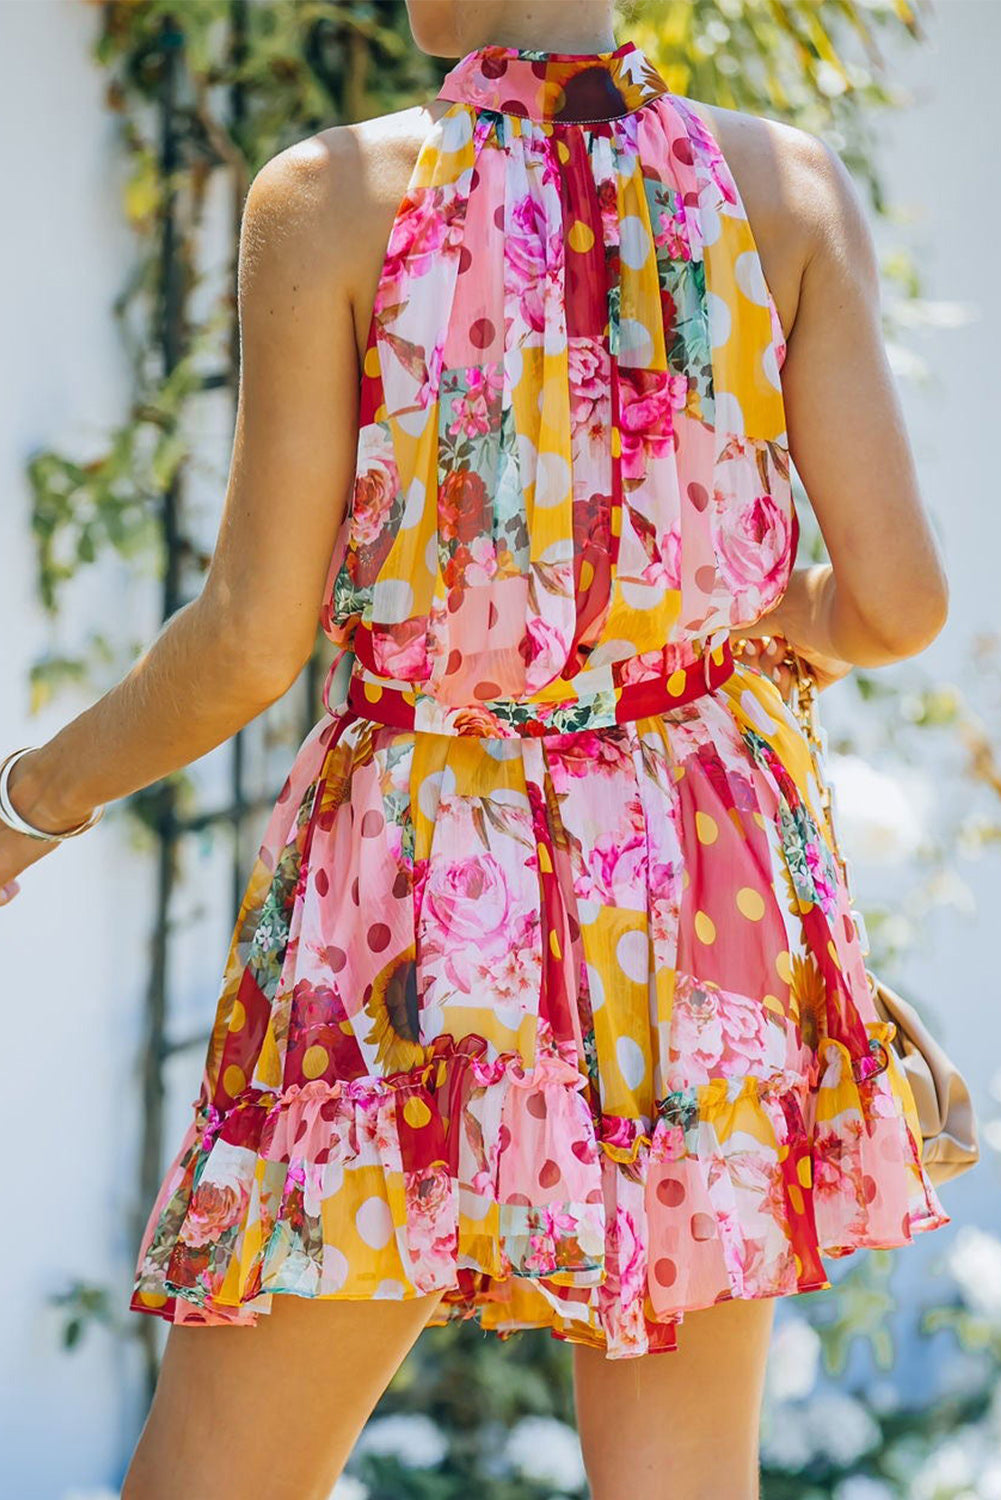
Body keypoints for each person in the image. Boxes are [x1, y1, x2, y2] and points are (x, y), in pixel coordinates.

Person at [0, 1, 952, 1496]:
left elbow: (252, 639)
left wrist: (25, 808)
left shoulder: (333, 198)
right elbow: (894, 605)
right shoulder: (788, 185)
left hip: (418, 896)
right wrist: (739, 634)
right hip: (700, 892)